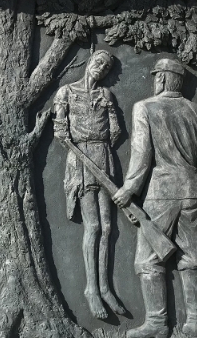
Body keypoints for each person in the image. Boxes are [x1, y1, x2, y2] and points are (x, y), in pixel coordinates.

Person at [112, 58, 197, 338]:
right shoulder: (195, 111)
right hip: (192, 191)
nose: (154, 80)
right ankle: (196, 321)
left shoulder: (145, 108)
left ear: (164, 79)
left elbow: (142, 155)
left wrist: (129, 189)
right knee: (192, 256)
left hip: (161, 193)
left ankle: (157, 324)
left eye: (157, 76)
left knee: (148, 260)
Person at [53, 49, 125, 319]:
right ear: (90, 62)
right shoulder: (67, 92)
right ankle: (91, 289)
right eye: (98, 63)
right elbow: (60, 130)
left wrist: (101, 141)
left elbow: (116, 131)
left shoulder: (106, 96)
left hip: (103, 157)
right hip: (80, 160)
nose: (101, 68)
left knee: (108, 227)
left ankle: (106, 288)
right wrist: (80, 142)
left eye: (106, 67)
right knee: (92, 226)